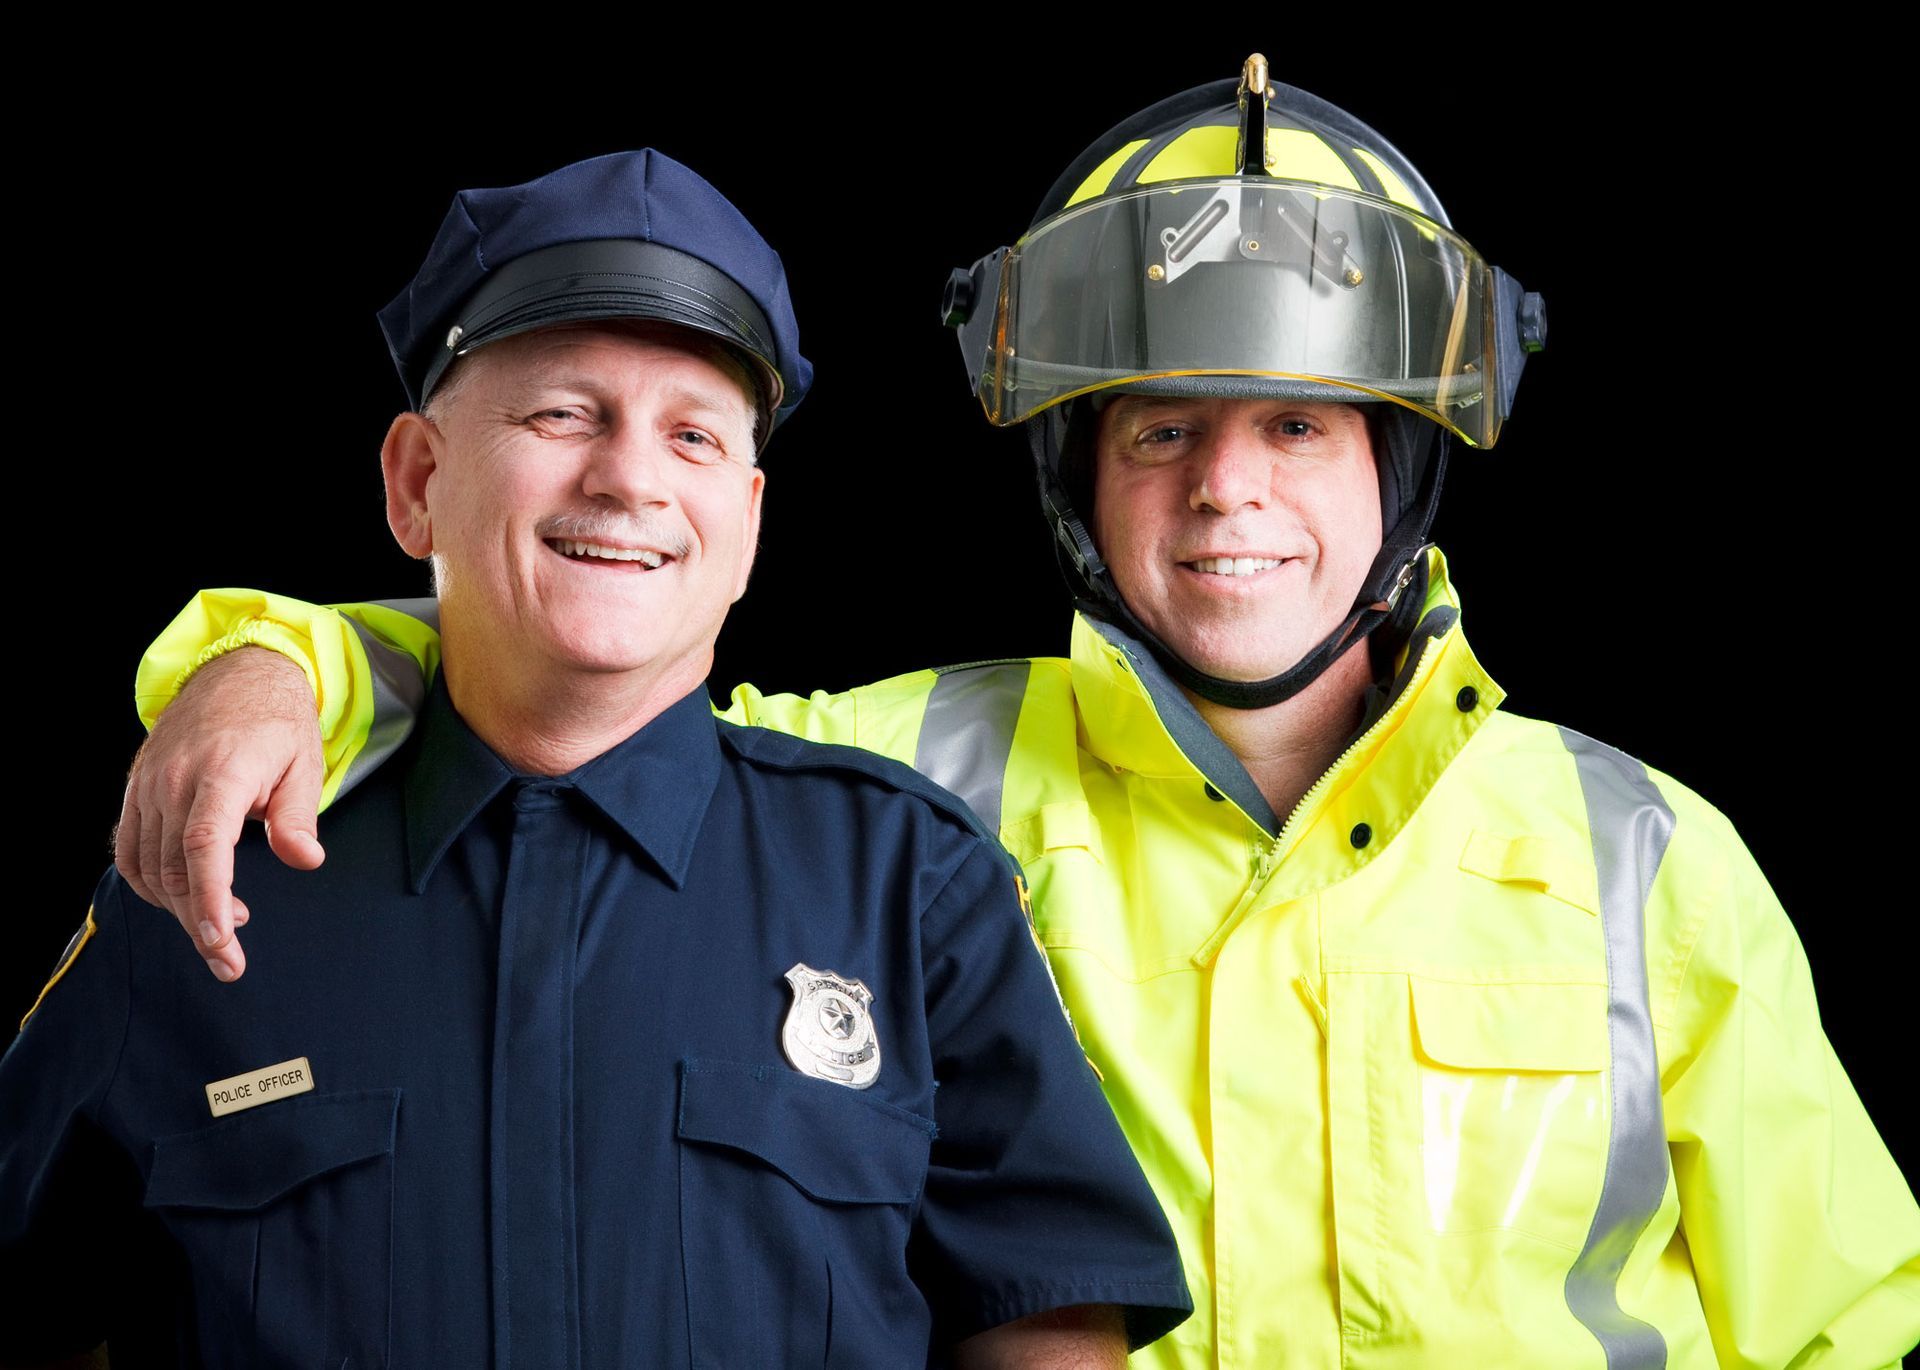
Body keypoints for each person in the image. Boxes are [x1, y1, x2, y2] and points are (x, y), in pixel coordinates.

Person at [100, 62, 1919, 1367]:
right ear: (1078, 475)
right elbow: (573, 674)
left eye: (1296, 424)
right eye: (1161, 429)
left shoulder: (1639, 858)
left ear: (1403, 470)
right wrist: (274, 661)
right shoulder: (900, 786)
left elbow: (1844, 1326)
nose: (1227, 490)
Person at [0, 149, 1193, 1367]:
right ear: (418, 483)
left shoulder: (912, 883)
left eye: (692, 436)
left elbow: (1050, 1328)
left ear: (748, 524)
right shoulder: (204, 879)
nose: (629, 477)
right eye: (564, 412)